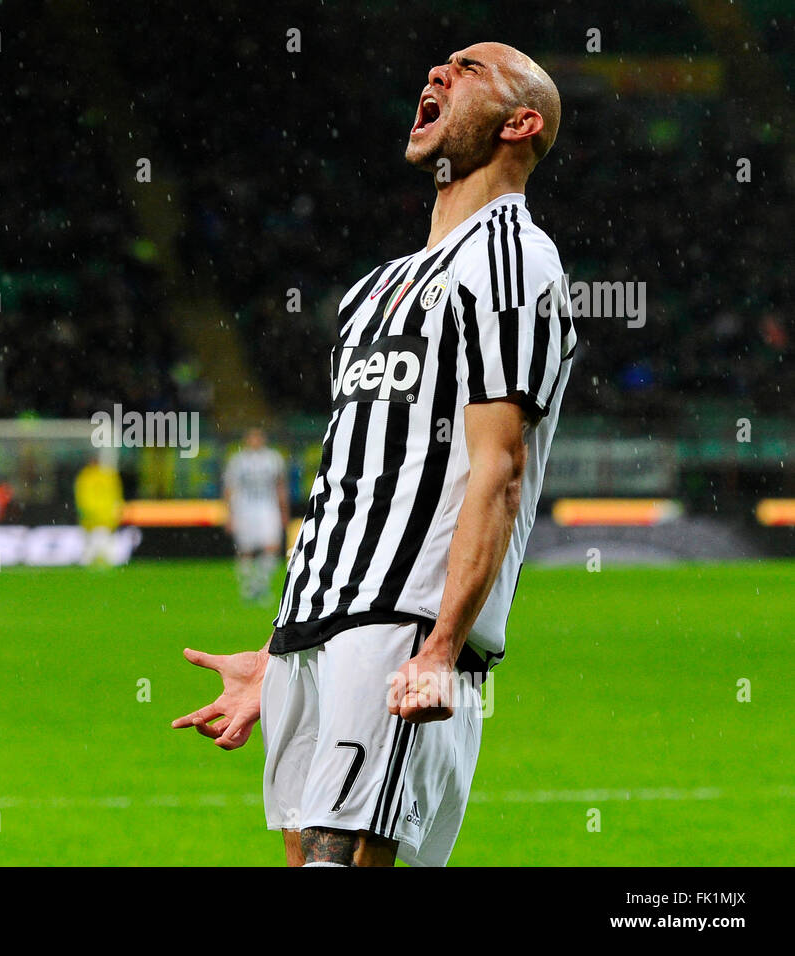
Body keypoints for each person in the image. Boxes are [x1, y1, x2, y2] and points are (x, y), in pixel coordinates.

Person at [173, 43, 575, 867]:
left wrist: (439, 648)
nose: (435, 73)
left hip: (404, 623)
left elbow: (498, 472)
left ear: (520, 121)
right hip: (313, 629)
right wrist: (283, 652)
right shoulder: (372, 290)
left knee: (343, 859)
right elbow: (347, 482)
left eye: (466, 69)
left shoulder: (513, 260)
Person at [222, 428, 289, 601]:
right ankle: (247, 587)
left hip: (268, 507)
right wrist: (229, 515)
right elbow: (229, 488)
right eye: (252, 437)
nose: (255, 441)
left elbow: (280, 486)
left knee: (271, 546)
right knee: (246, 549)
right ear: (246, 440)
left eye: (258, 437)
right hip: (244, 508)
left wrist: (283, 512)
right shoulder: (238, 461)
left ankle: (261, 585)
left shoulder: (273, 459)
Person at [74, 454, 124, 566]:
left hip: (96, 517)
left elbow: (82, 497)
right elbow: (116, 496)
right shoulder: (107, 476)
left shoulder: (86, 477)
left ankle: (89, 561)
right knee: (100, 541)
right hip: (103, 517)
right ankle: (105, 561)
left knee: (96, 542)